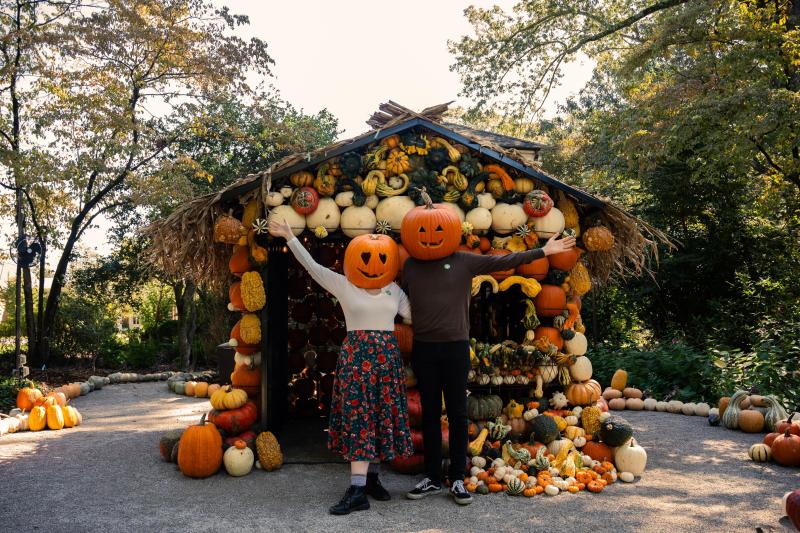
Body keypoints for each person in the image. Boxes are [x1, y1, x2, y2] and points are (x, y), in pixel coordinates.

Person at [402, 230, 576, 505]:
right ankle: (433, 477)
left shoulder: (463, 261)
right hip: (424, 348)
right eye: (422, 230)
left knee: (458, 413)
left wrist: (544, 251)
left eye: (437, 229)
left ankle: (457, 478)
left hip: (455, 348)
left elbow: (503, 261)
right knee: (431, 413)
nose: (430, 235)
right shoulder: (410, 264)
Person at [269, 218, 413, 515]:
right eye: (365, 257)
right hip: (357, 359)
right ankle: (358, 490)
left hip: (386, 359)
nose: (374, 264)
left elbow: (415, 315)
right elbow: (313, 267)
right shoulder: (345, 285)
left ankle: (371, 479)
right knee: (360, 417)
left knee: (377, 416)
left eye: (382, 258)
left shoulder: (394, 290)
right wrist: (290, 237)